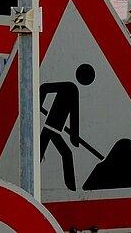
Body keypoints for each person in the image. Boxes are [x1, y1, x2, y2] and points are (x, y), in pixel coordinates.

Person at [39, 63, 96, 191]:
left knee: (44, 156)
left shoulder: (72, 89)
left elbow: (74, 116)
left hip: (53, 130)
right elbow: (43, 88)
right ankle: (72, 189)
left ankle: (71, 188)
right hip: (50, 129)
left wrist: (73, 137)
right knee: (65, 154)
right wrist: (37, 103)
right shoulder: (69, 87)